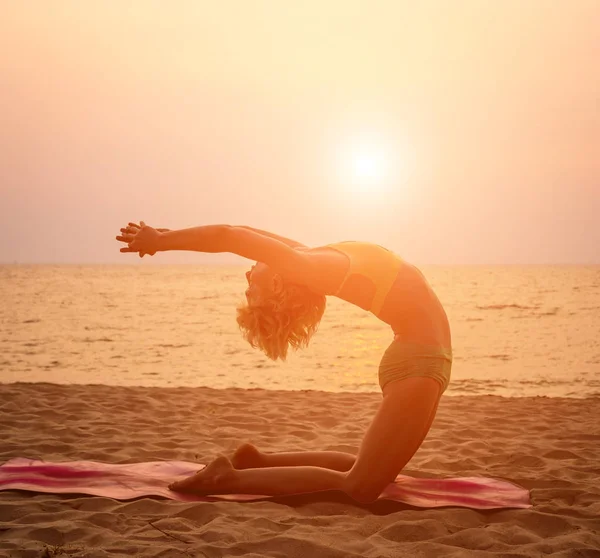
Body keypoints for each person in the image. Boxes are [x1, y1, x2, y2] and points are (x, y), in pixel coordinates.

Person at [116, 221, 452, 503]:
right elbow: (232, 238)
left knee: (376, 469)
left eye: (250, 285)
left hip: (424, 361)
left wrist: (165, 237)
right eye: (252, 288)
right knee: (361, 487)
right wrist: (162, 241)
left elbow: (239, 233)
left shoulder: (308, 258)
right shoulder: (305, 266)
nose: (248, 275)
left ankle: (256, 462)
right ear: (277, 281)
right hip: (417, 364)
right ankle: (226, 479)